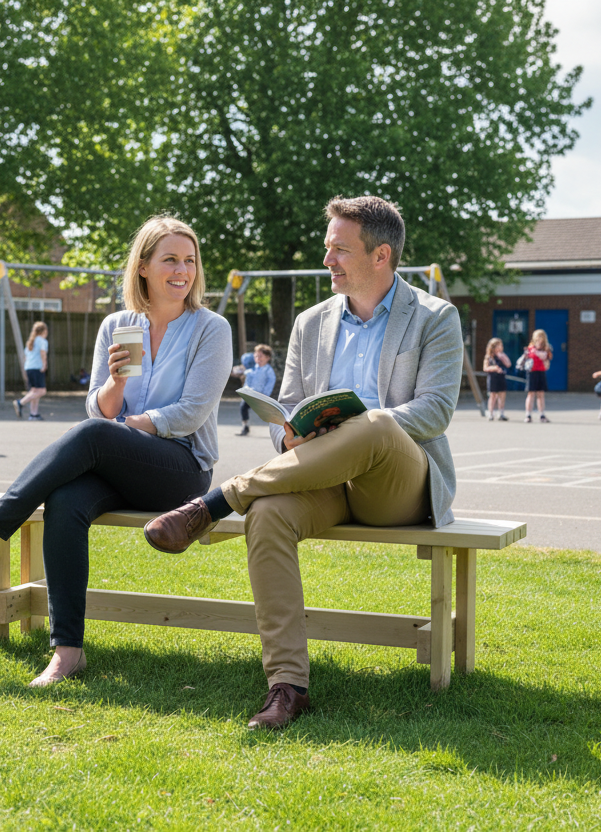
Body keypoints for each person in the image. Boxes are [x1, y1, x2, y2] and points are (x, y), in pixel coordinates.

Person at [144, 196, 462, 730]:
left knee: (376, 424)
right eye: (326, 247)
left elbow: (434, 411)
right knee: (267, 515)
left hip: (397, 485)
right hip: (318, 474)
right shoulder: (311, 322)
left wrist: (357, 428)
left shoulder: (435, 316)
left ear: (381, 255)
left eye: (340, 249)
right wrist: (288, 434)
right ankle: (287, 686)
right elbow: (283, 409)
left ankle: (218, 500)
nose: (328, 259)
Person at [0, 215, 232, 687]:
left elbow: (189, 413)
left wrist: (125, 428)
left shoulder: (211, 328)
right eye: (169, 259)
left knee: (94, 435)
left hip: (181, 468)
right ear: (143, 266)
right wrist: (117, 382)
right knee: (65, 501)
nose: (182, 270)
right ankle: (67, 653)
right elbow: (98, 406)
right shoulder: (117, 324)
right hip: (118, 461)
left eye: (189, 260)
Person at [233, 344, 276, 435]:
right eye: (256, 356)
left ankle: (277, 430)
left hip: (261, 396)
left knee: (268, 414)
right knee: (243, 407)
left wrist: (265, 395)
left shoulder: (269, 371)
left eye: (260, 356)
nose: (258, 358)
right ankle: (245, 426)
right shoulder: (252, 370)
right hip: (250, 395)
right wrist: (245, 391)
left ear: (267, 357)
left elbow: (270, 383)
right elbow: (247, 382)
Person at [14, 321, 49, 420]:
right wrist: (44, 365)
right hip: (37, 368)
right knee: (42, 391)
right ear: (44, 331)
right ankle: (20, 403)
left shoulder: (30, 342)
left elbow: (25, 357)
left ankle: (33, 414)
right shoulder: (42, 341)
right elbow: (43, 354)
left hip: (29, 368)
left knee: (34, 391)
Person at [523, 329, 553, 423]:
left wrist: (544, 355)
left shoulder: (546, 349)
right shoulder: (530, 348)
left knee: (540, 394)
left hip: (541, 372)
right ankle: (528, 415)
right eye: (538, 336)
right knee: (531, 393)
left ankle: (542, 415)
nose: (540, 339)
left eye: (541, 336)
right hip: (532, 372)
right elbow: (527, 359)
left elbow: (548, 360)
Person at [482, 338, 511, 421]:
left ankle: (501, 413)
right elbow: (485, 368)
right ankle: (491, 413)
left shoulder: (502, 355)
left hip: (501, 377)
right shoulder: (489, 357)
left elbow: (508, 364)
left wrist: (502, 357)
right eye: (498, 346)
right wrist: (494, 368)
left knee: (502, 395)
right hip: (492, 378)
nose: (500, 347)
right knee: (492, 395)